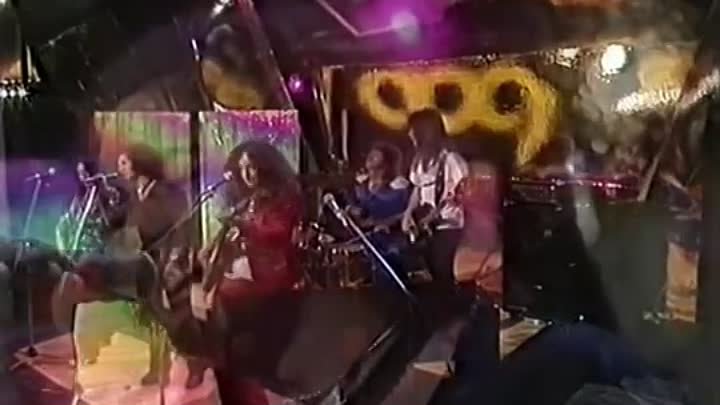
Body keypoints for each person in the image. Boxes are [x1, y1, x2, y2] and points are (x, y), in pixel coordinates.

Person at [199, 140, 303, 405]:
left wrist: (246, 228)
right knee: (217, 305)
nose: (246, 174)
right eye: (242, 168)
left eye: (252, 167)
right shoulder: (248, 202)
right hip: (246, 272)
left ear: (267, 167)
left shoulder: (285, 198)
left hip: (274, 273)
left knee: (225, 301)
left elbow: (280, 233)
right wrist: (212, 248)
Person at [401, 109, 469, 290]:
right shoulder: (418, 161)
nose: (409, 134)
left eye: (412, 130)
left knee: (443, 275)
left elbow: (462, 193)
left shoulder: (451, 160)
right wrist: (408, 213)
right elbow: (418, 188)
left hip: (448, 227)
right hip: (425, 230)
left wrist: (435, 215)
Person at [347, 142, 410, 287]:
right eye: (370, 154)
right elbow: (353, 210)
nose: (370, 156)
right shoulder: (359, 188)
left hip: (390, 243)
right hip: (364, 241)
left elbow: (406, 212)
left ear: (387, 164)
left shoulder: (399, 187)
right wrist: (352, 210)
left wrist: (387, 223)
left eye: (376, 155)